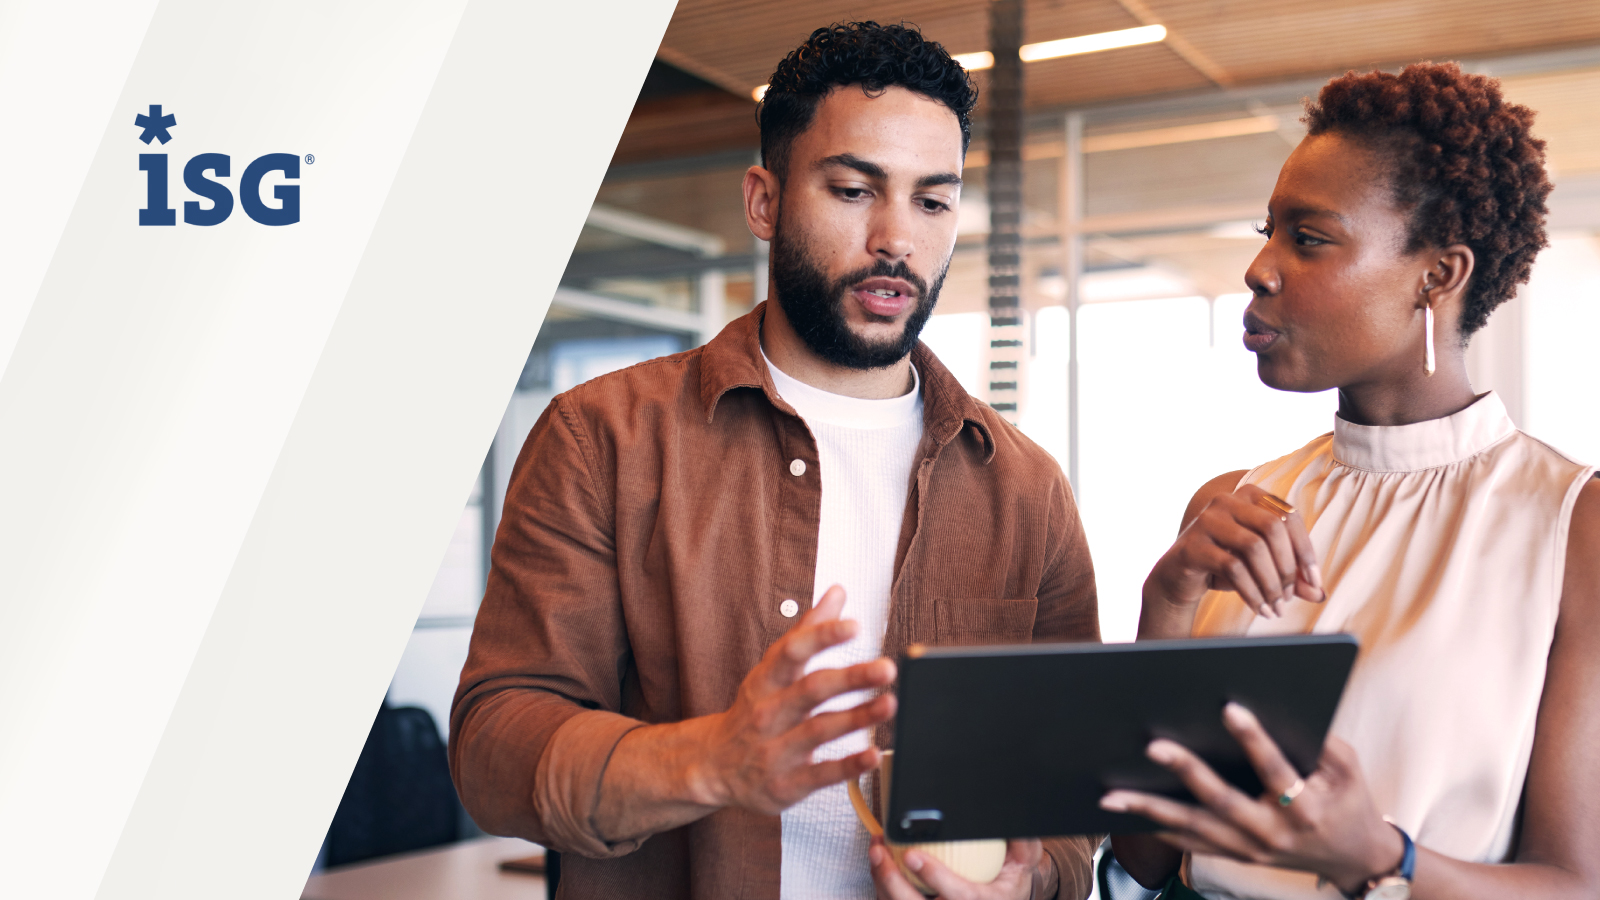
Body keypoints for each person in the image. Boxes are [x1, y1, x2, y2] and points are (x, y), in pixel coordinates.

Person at [449, 22, 1101, 900]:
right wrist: (714, 760)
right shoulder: (602, 438)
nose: (896, 238)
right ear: (765, 201)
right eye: (852, 189)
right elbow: (494, 747)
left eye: (932, 201)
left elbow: (1066, 798)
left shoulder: (1024, 488)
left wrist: (1031, 884)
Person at [1099, 62, 1600, 900]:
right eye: (1269, 232)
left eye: (1309, 237)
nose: (1260, 269)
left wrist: (1383, 857)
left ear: (1437, 276)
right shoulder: (1231, 504)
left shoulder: (1571, 526)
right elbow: (1145, 865)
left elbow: (1576, 884)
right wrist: (1167, 605)